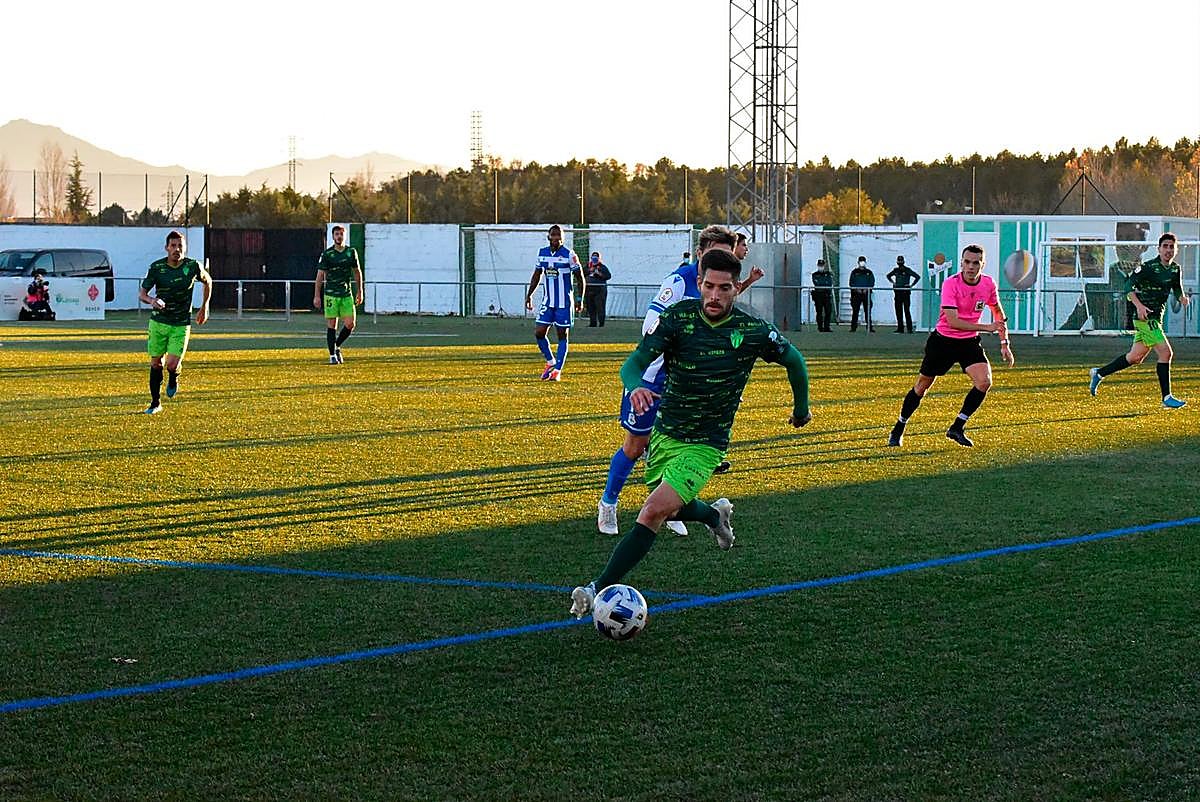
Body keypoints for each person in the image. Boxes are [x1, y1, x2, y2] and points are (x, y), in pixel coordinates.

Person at [572, 247, 812, 618]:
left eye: (725, 288)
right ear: (699, 283)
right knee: (672, 509)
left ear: (736, 289)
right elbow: (634, 363)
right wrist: (635, 385)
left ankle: (596, 588)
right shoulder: (677, 318)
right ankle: (715, 517)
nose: (715, 296)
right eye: (709, 286)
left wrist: (801, 410)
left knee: (653, 511)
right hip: (667, 434)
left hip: (706, 443)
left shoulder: (751, 330)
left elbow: (794, 360)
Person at [597, 225, 763, 537]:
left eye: (726, 255)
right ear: (700, 253)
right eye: (715, 253)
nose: (720, 260)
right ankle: (608, 503)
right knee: (635, 446)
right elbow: (651, 325)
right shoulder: (677, 282)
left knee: (678, 444)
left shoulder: (716, 286)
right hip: (652, 378)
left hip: (685, 382)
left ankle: (669, 508)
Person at [886, 244, 1014, 448]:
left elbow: (998, 313)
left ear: (983, 264)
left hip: (969, 342)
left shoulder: (989, 284)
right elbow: (953, 321)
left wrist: (1004, 342)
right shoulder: (950, 284)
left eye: (976, 263)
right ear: (962, 262)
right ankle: (899, 427)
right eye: (967, 262)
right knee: (922, 387)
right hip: (943, 341)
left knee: (984, 381)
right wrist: (987, 327)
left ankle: (957, 427)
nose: (971, 266)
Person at [1088, 232, 1190, 408]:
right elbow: (1128, 286)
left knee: (1135, 357)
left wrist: (1182, 297)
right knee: (1166, 353)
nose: (1168, 250)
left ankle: (1099, 373)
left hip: (1156, 317)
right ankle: (1167, 398)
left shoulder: (1175, 269)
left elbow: (1177, 288)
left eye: (1171, 247)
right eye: (1165, 246)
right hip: (1145, 317)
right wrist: (1139, 306)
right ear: (1158, 249)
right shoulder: (1148, 267)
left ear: (1176, 250)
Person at [137, 230, 212, 415]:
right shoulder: (157, 268)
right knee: (156, 363)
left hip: (181, 323)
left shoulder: (193, 266)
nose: (177, 249)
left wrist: (204, 307)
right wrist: (153, 301)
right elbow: (142, 294)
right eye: (173, 246)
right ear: (166, 248)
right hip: (158, 322)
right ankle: (155, 403)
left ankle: (174, 375)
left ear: (185, 248)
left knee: (170, 364)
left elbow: (208, 281)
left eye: (180, 246)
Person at [524, 224, 584, 381]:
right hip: (548, 302)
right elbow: (537, 275)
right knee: (539, 332)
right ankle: (550, 361)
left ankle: (557, 370)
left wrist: (579, 299)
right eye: (554, 235)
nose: (556, 238)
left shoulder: (569, 255)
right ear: (548, 236)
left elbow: (580, 278)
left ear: (563, 238)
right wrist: (529, 294)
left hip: (564, 303)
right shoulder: (542, 253)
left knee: (562, 335)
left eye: (559, 235)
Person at [313, 225, 363, 364]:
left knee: (350, 324)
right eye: (336, 234)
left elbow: (357, 272)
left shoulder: (351, 252)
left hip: (346, 294)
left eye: (341, 234)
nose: (339, 236)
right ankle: (332, 356)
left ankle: (336, 345)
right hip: (331, 294)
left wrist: (360, 291)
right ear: (333, 236)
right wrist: (317, 295)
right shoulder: (327, 254)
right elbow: (319, 276)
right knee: (332, 324)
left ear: (344, 236)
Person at [886, 255, 921, 333]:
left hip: (905, 292)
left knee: (906, 310)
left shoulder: (907, 270)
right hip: (898, 292)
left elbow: (917, 277)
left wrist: (911, 285)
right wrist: (893, 282)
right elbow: (888, 276)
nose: (900, 262)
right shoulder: (896, 270)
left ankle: (909, 329)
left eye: (901, 261)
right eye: (899, 261)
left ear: (903, 262)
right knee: (898, 311)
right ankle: (900, 328)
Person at [583, 251, 612, 327]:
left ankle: (601, 323)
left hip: (600, 290)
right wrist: (590, 270)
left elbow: (608, 276)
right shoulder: (588, 266)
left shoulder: (602, 267)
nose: (594, 259)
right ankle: (593, 323)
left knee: (600, 307)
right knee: (590, 307)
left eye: (596, 257)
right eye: (593, 257)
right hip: (589, 289)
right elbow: (582, 273)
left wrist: (599, 274)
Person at [849, 256, 876, 332]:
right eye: (861, 261)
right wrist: (857, 289)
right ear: (858, 262)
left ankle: (869, 327)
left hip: (866, 294)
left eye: (863, 261)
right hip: (856, 294)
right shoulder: (854, 272)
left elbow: (872, 282)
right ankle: (853, 327)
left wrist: (866, 289)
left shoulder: (869, 272)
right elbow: (851, 283)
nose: (862, 263)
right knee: (855, 311)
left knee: (867, 311)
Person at [811, 259, 834, 332]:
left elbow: (829, 283)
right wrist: (824, 285)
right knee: (819, 311)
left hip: (826, 295)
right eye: (820, 265)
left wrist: (824, 285)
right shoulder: (815, 274)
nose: (821, 267)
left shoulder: (828, 274)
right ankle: (820, 327)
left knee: (828, 311)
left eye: (822, 265)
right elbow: (817, 283)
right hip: (818, 295)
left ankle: (827, 327)